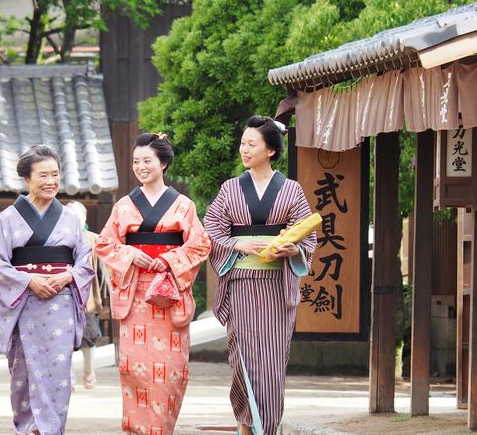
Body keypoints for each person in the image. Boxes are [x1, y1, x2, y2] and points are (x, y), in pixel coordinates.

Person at [204, 115, 317, 435]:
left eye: (251, 144)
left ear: (270, 150)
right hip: (241, 283)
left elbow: (307, 237)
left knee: (270, 364)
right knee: (242, 361)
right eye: (242, 143)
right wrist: (239, 243)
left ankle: (266, 428)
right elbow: (211, 232)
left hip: (275, 288)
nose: (244, 149)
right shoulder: (230, 189)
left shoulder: (291, 190)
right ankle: (245, 424)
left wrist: (292, 251)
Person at [96, 132, 211, 434]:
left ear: (163, 163)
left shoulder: (183, 205)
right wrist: (131, 253)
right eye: (136, 161)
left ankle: (162, 429)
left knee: (170, 370)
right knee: (133, 368)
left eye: (147, 160)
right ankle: (135, 429)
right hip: (135, 292)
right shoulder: (124, 205)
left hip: (168, 292)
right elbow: (105, 244)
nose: (140, 166)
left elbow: (200, 245)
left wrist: (170, 260)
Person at [0, 144, 94, 435]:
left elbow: (85, 262)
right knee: (24, 371)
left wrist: (67, 276)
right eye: (43, 175)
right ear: (27, 180)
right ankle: (28, 428)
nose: (51, 182)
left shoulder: (70, 218)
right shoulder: (9, 218)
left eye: (55, 175)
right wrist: (29, 281)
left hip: (61, 303)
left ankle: (51, 430)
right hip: (24, 304)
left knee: (58, 373)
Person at [65, 200, 111, 390]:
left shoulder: (94, 238)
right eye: (70, 215)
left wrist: (111, 294)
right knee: (63, 341)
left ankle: (89, 373)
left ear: (84, 217)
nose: (74, 219)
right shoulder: (57, 238)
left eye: (78, 215)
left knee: (88, 337)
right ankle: (68, 380)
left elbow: (106, 269)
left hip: (87, 298)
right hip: (62, 297)